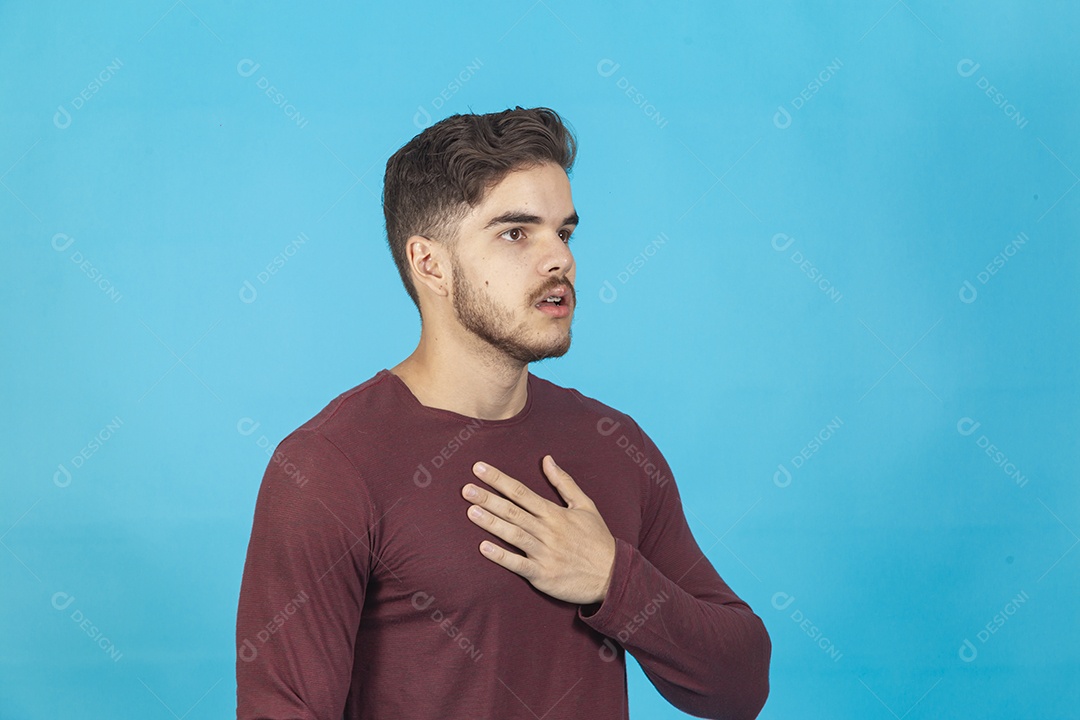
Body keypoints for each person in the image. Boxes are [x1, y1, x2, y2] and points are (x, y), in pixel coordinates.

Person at [235, 106, 771, 719]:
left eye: (563, 233)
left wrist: (612, 579)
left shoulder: (613, 443)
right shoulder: (329, 467)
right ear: (430, 263)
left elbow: (740, 685)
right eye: (516, 233)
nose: (559, 260)